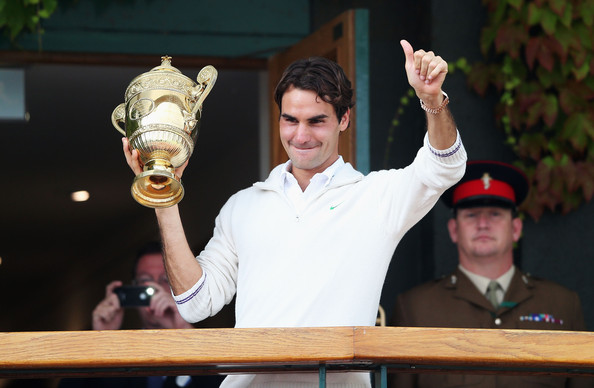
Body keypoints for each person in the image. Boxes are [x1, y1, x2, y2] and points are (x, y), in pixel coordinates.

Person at [122, 40, 467, 388]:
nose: (301, 136)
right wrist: (164, 197)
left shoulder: (376, 197)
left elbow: (444, 167)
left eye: (316, 121)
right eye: (290, 120)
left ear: (343, 119)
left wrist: (433, 100)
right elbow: (196, 304)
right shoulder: (243, 205)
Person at [391, 160, 592, 388]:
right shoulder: (416, 308)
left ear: (516, 229)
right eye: (472, 215)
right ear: (454, 230)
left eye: (495, 214)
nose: (483, 224)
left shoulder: (561, 304)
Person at [60, 242, 225, 388]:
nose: (154, 289)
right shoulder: (120, 355)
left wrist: (184, 329)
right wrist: (100, 340)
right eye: (145, 282)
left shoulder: (211, 345)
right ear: (134, 288)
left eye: (166, 280)